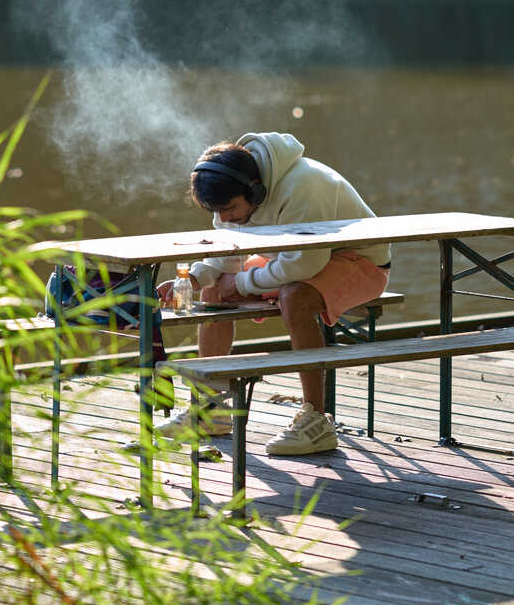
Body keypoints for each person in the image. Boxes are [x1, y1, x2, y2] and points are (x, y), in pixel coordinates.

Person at [157, 132, 389, 455]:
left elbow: (305, 265)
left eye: (228, 209)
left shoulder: (304, 187)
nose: (223, 218)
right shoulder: (233, 194)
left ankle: (317, 420)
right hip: (297, 257)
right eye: (216, 211)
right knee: (214, 287)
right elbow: (228, 248)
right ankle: (213, 409)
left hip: (361, 261)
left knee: (295, 297)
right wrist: (195, 279)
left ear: (255, 190)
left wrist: (241, 284)